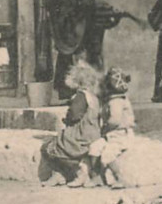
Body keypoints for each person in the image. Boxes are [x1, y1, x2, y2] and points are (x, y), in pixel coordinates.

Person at [41, 59, 102, 187]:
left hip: (81, 134)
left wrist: (67, 119)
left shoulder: (81, 96)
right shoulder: (94, 97)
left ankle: (70, 173)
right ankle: (62, 175)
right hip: (93, 133)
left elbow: (75, 114)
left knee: (52, 146)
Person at [89, 66, 136, 186]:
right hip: (112, 134)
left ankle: (121, 178)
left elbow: (115, 120)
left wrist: (105, 128)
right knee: (94, 148)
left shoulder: (116, 102)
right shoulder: (112, 101)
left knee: (107, 155)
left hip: (120, 135)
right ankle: (96, 177)